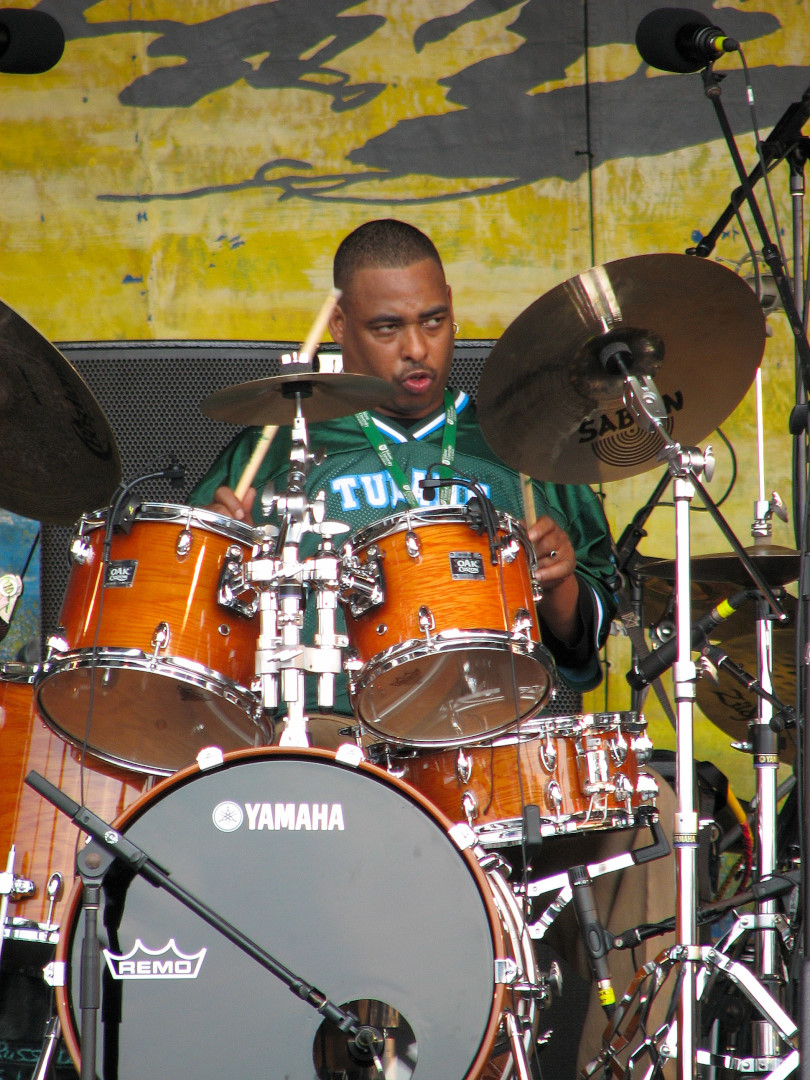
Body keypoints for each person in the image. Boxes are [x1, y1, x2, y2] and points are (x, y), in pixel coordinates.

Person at [190, 218, 675, 1074]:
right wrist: (217, 554)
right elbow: (202, 639)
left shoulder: (525, 446)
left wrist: (560, 581)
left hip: (490, 742)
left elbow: (582, 651)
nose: (417, 348)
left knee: (655, 818)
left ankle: (620, 1062)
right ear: (340, 328)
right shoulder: (282, 440)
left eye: (435, 321)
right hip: (338, 738)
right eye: (387, 328)